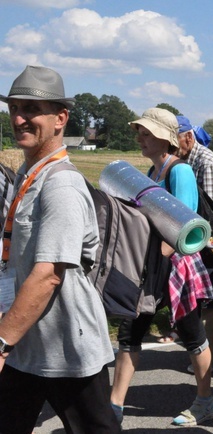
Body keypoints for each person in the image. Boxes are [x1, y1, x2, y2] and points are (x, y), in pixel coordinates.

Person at [0, 66, 120, 432]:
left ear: (60, 119)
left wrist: (2, 342)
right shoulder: (27, 174)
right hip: (27, 343)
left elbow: (49, 274)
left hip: (67, 348)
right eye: (15, 108)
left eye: (32, 110)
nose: (20, 118)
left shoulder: (61, 186)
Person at [111, 108, 213, 426]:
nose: (140, 138)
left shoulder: (179, 171)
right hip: (151, 266)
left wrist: (157, 251)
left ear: (163, 138)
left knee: (192, 335)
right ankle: (114, 406)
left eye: (146, 133)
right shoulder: (153, 172)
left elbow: (186, 222)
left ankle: (204, 401)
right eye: (140, 133)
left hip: (176, 268)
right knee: (131, 331)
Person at [176, 115, 213, 373]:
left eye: (172, 139)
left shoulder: (205, 161)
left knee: (207, 301)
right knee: (204, 296)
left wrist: (205, 247)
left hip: (212, 240)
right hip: (197, 236)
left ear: (188, 136)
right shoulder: (184, 160)